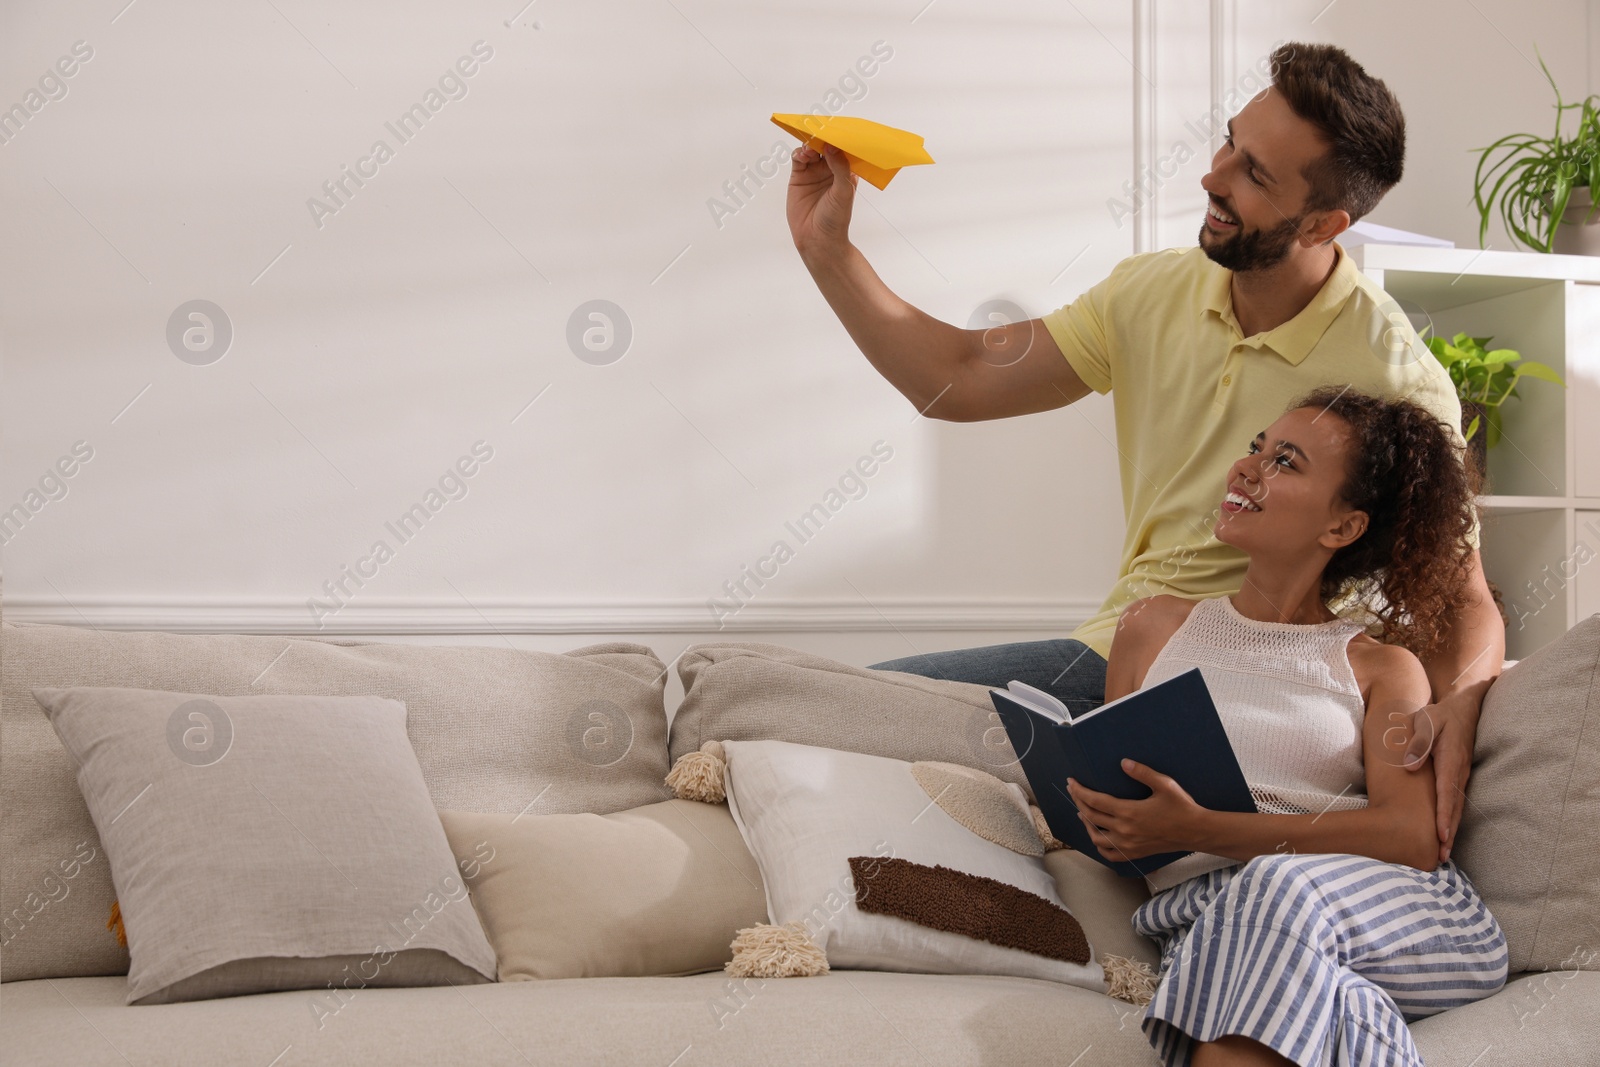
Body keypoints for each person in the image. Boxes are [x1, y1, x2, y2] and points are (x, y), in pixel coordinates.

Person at [784, 41, 1502, 867]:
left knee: (831, 712)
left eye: (1255, 175)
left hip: (1235, 690)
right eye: (1229, 142)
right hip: (1121, 650)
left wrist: (1463, 706)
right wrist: (827, 251)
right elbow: (961, 376)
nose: (1214, 175)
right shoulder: (1151, 291)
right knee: (835, 708)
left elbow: (1466, 595)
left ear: (1325, 223)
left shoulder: (1393, 375)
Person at [1063, 387, 1507, 1066]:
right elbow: (1121, 788)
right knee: (1346, 1010)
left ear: (1342, 528)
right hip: (1208, 918)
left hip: (1401, 914)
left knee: (1274, 887)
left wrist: (1201, 828)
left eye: (1286, 462)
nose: (1247, 469)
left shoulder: (1380, 667)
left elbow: (1412, 836)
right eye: (1256, 449)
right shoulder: (1153, 627)